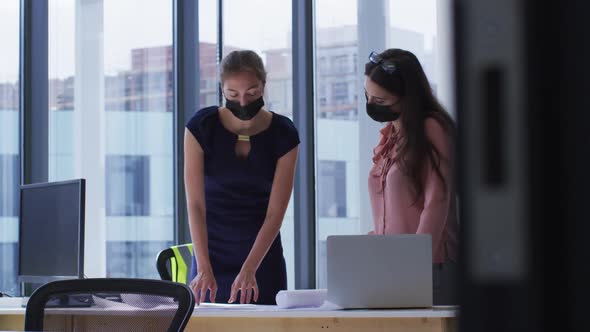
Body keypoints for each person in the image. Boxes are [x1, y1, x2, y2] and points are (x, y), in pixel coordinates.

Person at [184, 50, 300, 305]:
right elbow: (195, 205)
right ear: (222, 90)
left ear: (264, 87)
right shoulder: (201, 127)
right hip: (209, 254)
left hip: (262, 257)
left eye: (252, 92)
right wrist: (203, 267)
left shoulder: (284, 134)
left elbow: (276, 213)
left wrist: (250, 268)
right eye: (233, 94)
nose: (243, 102)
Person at [364, 48, 459, 304]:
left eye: (381, 102)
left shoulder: (432, 128)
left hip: (429, 268)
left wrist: (415, 263)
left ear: (407, 98)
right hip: (393, 269)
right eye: (368, 97)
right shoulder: (390, 136)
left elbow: (437, 200)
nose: (371, 106)